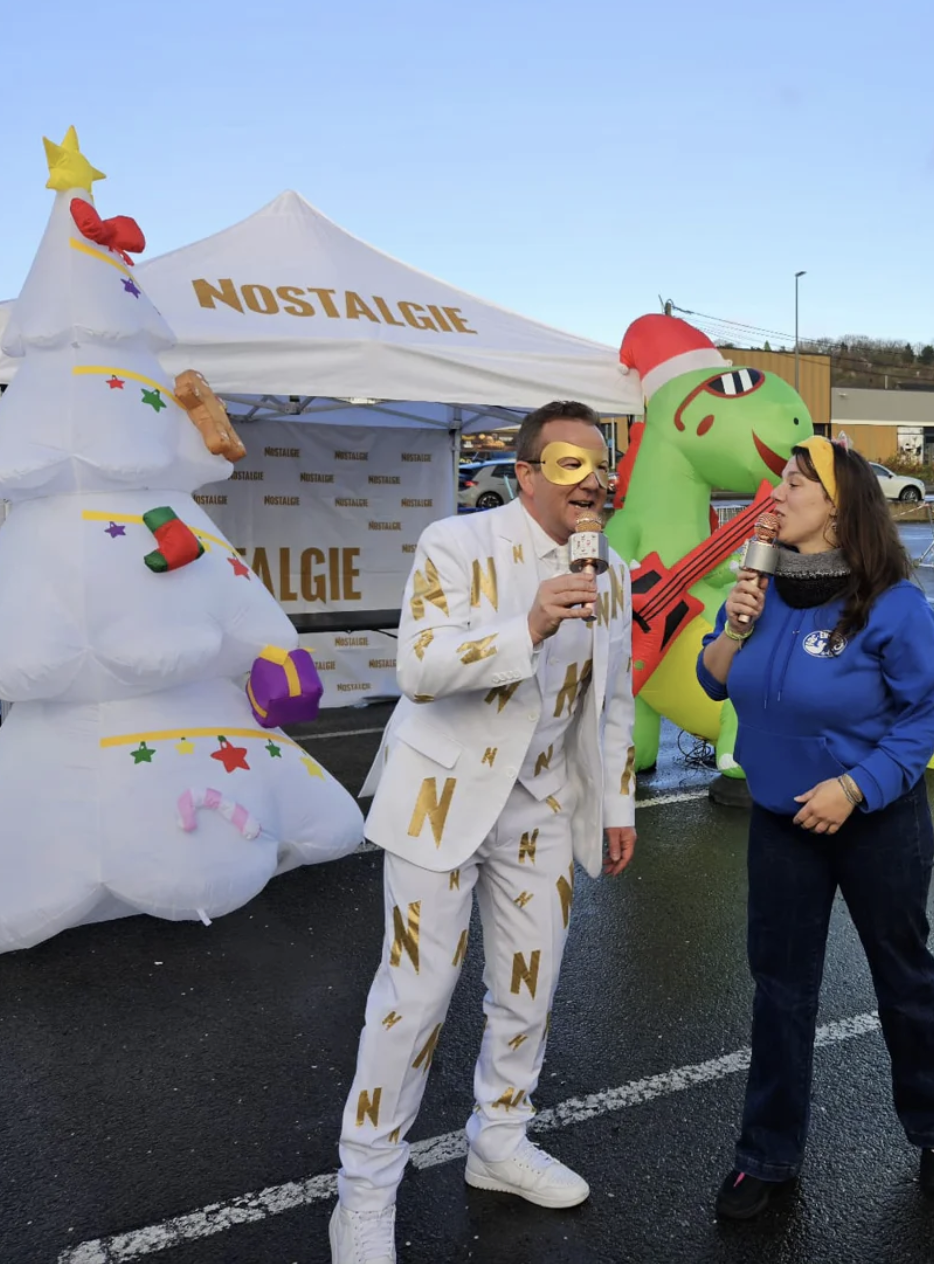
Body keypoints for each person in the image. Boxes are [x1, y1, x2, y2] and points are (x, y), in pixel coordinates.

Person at [331, 401, 638, 1264]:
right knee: (415, 999)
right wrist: (530, 622)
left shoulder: (608, 569)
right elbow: (419, 668)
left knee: (528, 991)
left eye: (602, 462)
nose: (595, 478)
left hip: (541, 807)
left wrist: (614, 805)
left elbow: (611, 699)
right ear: (529, 474)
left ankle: (499, 1143)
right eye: (572, 463)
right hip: (442, 799)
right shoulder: (455, 545)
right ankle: (365, 1191)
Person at [696, 435, 934, 1220]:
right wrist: (734, 628)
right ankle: (767, 1156)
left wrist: (856, 787)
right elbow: (714, 681)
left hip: (874, 819)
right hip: (783, 823)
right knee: (780, 991)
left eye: (793, 483)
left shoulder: (892, 603)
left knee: (902, 975)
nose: (776, 495)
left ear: (838, 511)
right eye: (780, 481)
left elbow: (926, 715)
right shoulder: (757, 588)